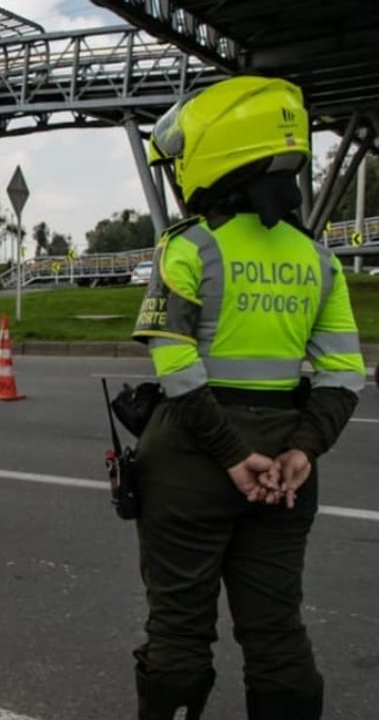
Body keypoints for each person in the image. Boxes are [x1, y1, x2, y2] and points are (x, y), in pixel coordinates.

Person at [130, 76, 365, 719]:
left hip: (192, 458)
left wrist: (234, 455)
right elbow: (346, 376)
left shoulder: (190, 246)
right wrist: (302, 451)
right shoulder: (319, 260)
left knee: (178, 628)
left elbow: (175, 364)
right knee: (276, 632)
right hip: (287, 466)